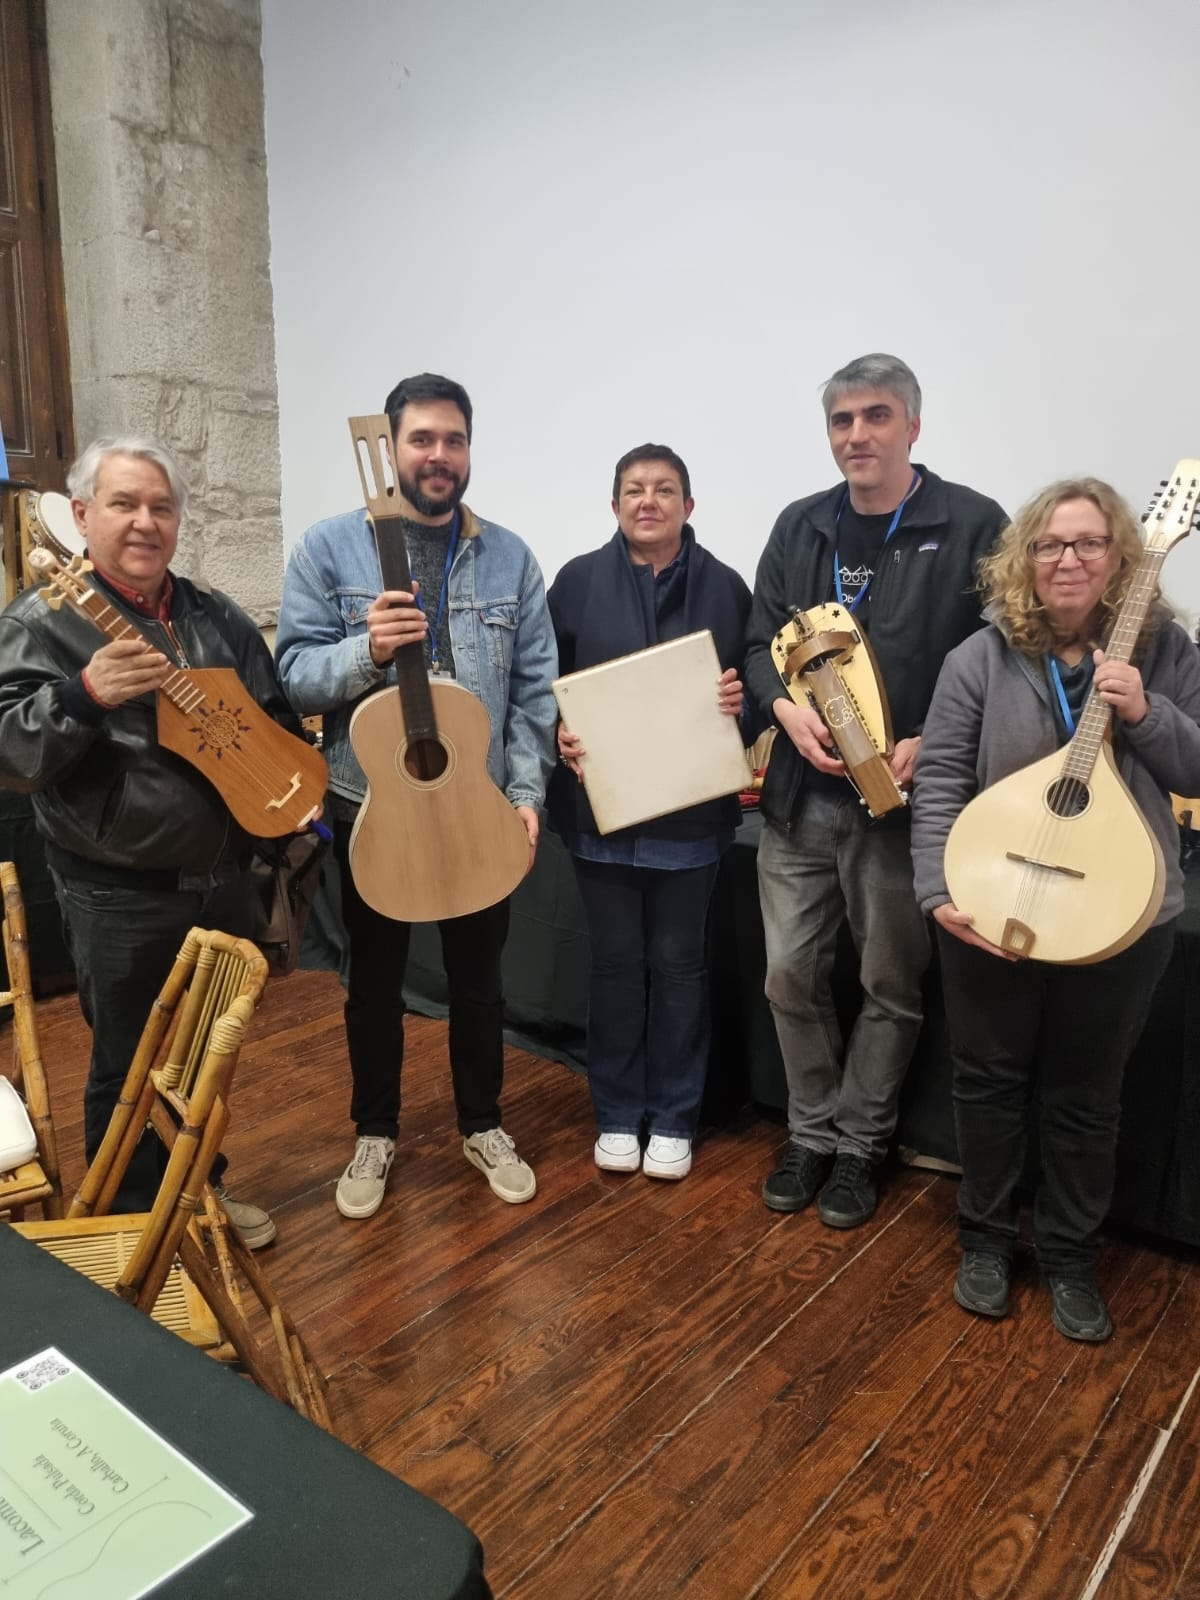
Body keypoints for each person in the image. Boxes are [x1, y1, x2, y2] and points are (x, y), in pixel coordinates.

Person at [911, 479, 1200, 1341]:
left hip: (1121, 917)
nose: (1067, 559)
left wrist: (1143, 711)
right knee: (989, 1084)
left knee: (1085, 1097)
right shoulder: (981, 656)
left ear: (1122, 559)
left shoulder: (1167, 650)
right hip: (996, 906)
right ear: (1024, 560)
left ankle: (1071, 1257)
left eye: (1087, 544)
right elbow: (938, 784)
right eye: (1049, 545)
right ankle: (988, 1242)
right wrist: (936, 890)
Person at [275, 372, 557, 1219]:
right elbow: (293, 677)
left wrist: (526, 790)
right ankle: (376, 1131)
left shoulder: (509, 557)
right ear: (392, 446)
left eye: (454, 439)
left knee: (480, 979)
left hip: (477, 802)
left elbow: (536, 692)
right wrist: (365, 649)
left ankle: (482, 1123)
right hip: (372, 803)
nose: (440, 456)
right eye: (423, 439)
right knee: (375, 980)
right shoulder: (330, 549)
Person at [0, 437, 291, 1246]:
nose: (145, 523)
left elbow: (267, 719)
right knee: (128, 1068)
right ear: (84, 516)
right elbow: (9, 750)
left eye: (161, 507)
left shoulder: (213, 615)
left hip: (221, 878)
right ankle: (129, 1224)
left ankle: (198, 1189)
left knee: (203, 1059)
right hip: (117, 889)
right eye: (125, 505)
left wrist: (285, 784)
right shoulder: (42, 621)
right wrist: (83, 695)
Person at [743, 354, 1007, 1228]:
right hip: (796, 802)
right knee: (789, 977)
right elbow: (755, 645)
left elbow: (1006, 658)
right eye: (842, 421)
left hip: (906, 809)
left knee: (891, 985)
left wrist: (937, 744)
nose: (857, 435)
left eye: (876, 417)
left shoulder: (972, 524)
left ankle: (861, 1146)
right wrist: (786, 713)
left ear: (913, 426)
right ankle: (812, 1131)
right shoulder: (800, 524)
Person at [547, 444, 752, 1180]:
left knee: (679, 967)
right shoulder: (574, 583)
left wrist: (742, 702)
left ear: (688, 506)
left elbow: (753, 684)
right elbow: (545, 686)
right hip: (600, 815)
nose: (649, 501)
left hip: (690, 821)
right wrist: (557, 734)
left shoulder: (727, 588)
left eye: (666, 490)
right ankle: (615, 1114)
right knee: (613, 967)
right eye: (634, 489)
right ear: (614, 506)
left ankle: (672, 1116)